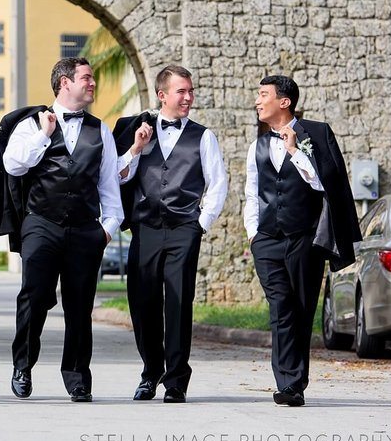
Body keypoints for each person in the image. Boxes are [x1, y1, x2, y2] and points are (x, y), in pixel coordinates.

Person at [2, 57, 125, 402]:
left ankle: (77, 378)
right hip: (41, 223)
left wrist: (106, 229)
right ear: (64, 83)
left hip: (86, 229)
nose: (92, 83)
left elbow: (108, 187)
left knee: (79, 306)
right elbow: (13, 164)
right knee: (34, 297)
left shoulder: (100, 130)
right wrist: (44, 134)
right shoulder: (31, 123)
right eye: (86, 78)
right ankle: (22, 366)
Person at [245, 75, 360, 407]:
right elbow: (252, 193)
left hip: (305, 239)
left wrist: (295, 151)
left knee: (302, 307)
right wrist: (253, 234)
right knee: (280, 306)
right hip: (267, 239)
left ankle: (296, 380)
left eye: (262, 94)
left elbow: (326, 185)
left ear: (284, 102)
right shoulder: (257, 145)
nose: (257, 100)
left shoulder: (317, 135)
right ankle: (288, 382)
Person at [118, 65, 227, 403]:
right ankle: (150, 372)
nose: (189, 97)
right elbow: (117, 176)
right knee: (142, 303)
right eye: (182, 91)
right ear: (162, 95)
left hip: (184, 230)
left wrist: (200, 223)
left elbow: (218, 182)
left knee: (179, 305)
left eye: (191, 90)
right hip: (145, 229)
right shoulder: (138, 131)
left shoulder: (203, 136)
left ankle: (176, 380)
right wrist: (136, 149)